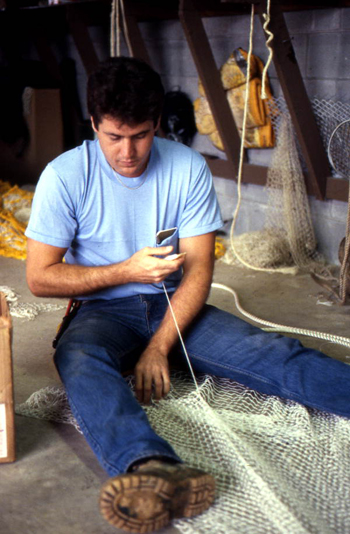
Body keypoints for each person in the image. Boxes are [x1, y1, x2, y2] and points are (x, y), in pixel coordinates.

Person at [26, 57, 350, 534]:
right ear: (93, 124)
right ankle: (152, 469)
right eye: (113, 137)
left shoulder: (186, 166)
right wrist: (126, 270)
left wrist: (159, 347)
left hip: (174, 304)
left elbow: (200, 269)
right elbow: (39, 278)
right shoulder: (64, 174)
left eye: (139, 135)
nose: (128, 151)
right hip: (101, 309)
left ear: (156, 124)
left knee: (273, 353)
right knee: (79, 359)